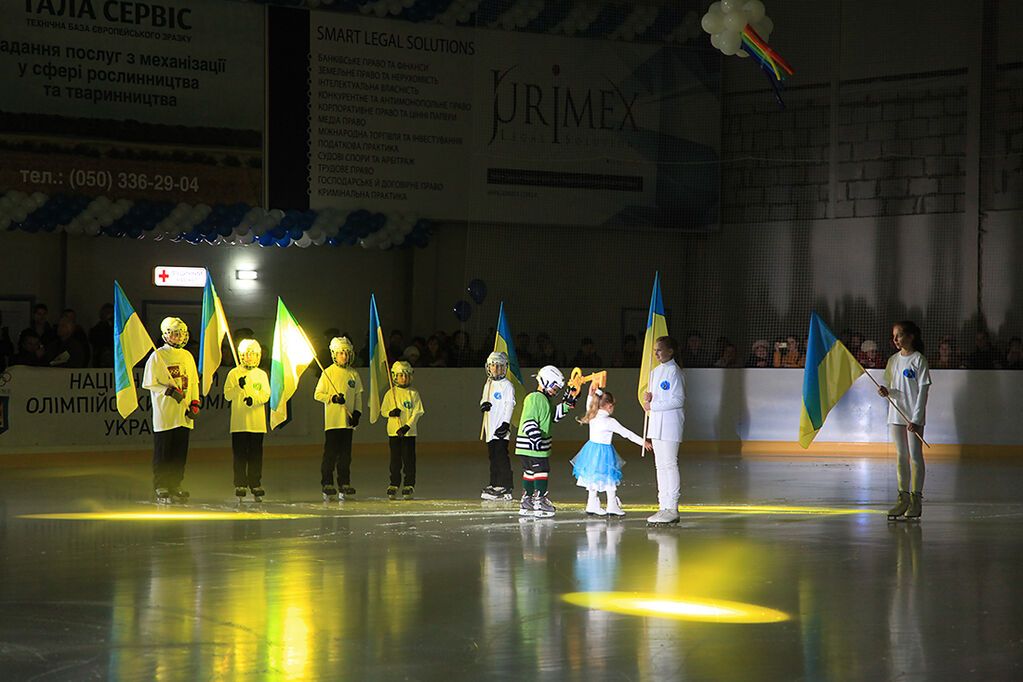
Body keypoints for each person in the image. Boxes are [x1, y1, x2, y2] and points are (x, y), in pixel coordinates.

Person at [877, 321, 931, 521]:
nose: (895, 339)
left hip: (913, 418)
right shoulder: (893, 360)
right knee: (901, 456)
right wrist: (885, 391)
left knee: (915, 456)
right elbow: (892, 388)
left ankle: (916, 499)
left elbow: (923, 391)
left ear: (911, 336)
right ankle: (903, 498)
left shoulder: (919, 360)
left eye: (899, 335)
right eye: (894, 336)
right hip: (895, 415)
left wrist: (916, 419)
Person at [142, 317, 200, 503]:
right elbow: (149, 383)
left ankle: (176, 483)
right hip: (166, 412)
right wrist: (168, 391)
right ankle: (161, 484)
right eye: (175, 334)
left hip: (183, 413)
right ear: (166, 335)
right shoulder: (158, 356)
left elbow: (193, 382)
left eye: (181, 334)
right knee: (164, 451)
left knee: (179, 451)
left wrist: (195, 403)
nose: (178, 337)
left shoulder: (187, 356)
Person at [571, 383, 652, 517]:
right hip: (604, 453)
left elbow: (589, 403)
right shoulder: (609, 421)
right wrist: (643, 442)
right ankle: (612, 505)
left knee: (593, 478)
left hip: (591, 452)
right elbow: (627, 434)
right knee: (609, 478)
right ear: (609, 406)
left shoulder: (593, 414)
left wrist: (591, 393)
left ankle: (591, 504)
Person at [514, 365, 578, 518]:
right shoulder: (535, 398)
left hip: (527, 446)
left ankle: (527, 500)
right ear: (545, 381)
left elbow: (552, 418)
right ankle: (539, 500)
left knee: (530, 472)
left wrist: (566, 405)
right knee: (541, 471)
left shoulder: (544, 399)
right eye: (554, 387)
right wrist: (535, 438)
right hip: (533, 444)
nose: (556, 391)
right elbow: (529, 420)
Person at [642, 336, 686, 525]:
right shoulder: (655, 372)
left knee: (669, 464)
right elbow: (654, 399)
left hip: (670, 424)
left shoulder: (675, 372)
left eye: (660, 350)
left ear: (670, 351)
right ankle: (663, 506)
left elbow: (678, 400)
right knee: (660, 466)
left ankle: (672, 507)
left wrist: (654, 405)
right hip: (656, 425)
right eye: (655, 350)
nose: (656, 354)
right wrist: (648, 398)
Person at [315, 336, 364, 501]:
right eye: (340, 353)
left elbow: (358, 396)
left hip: (347, 424)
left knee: (345, 456)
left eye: (346, 353)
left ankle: (344, 483)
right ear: (334, 354)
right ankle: (327, 483)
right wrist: (333, 398)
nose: (344, 356)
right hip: (333, 423)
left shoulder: (353, 374)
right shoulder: (328, 373)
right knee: (330, 454)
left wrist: (357, 413)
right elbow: (318, 394)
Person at [223, 339, 271, 501]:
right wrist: (238, 386)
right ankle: (240, 484)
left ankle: (255, 483)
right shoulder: (234, 373)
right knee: (240, 455)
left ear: (258, 356)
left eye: (253, 354)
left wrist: (254, 399)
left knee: (256, 455)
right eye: (246, 354)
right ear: (241, 355)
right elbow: (227, 395)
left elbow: (266, 394)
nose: (249, 357)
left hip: (257, 424)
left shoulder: (261, 374)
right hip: (239, 423)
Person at [381, 361, 424, 499]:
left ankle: (409, 484)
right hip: (394, 432)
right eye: (400, 375)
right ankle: (394, 483)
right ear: (394, 376)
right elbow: (383, 411)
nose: (403, 378)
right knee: (395, 459)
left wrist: (407, 426)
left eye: (406, 375)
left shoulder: (413, 393)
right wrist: (391, 413)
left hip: (409, 433)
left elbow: (417, 412)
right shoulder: (390, 393)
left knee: (409, 459)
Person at [480, 351, 516, 501]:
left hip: (501, 428)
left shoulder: (507, 385)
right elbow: (483, 399)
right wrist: (484, 404)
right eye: (493, 366)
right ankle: (494, 483)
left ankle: (505, 484)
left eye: (499, 366)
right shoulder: (488, 384)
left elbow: (510, 404)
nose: (496, 369)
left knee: (501, 456)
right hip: (490, 427)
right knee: (493, 456)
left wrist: (506, 423)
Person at [89, 303, 115, 368]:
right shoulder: (96, 330)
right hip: (100, 363)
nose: (109, 315)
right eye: (107, 312)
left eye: (111, 313)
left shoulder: (118, 330)